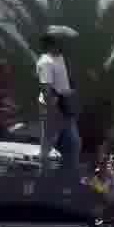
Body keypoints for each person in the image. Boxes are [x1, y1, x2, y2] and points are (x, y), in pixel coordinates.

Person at [36, 28, 80, 180]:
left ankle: (68, 178)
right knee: (47, 147)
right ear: (51, 43)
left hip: (65, 106)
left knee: (74, 143)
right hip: (53, 108)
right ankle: (43, 179)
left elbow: (74, 35)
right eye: (59, 40)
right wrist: (53, 110)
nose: (63, 43)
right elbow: (47, 90)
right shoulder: (45, 62)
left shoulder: (59, 57)